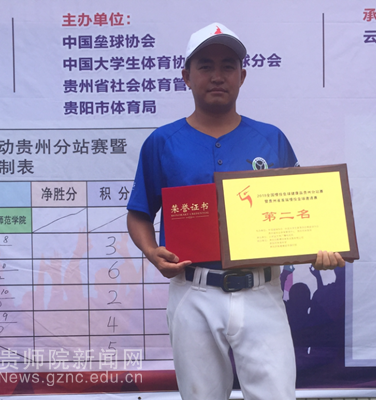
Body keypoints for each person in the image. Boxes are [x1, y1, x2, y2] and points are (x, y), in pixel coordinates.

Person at [126, 22, 345, 400]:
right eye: (205, 66)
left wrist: (321, 247)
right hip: (193, 290)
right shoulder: (162, 142)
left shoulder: (271, 139)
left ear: (242, 76)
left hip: (261, 290)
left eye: (228, 66)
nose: (217, 76)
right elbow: (139, 212)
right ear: (186, 76)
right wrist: (151, 251)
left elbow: (303, 211)